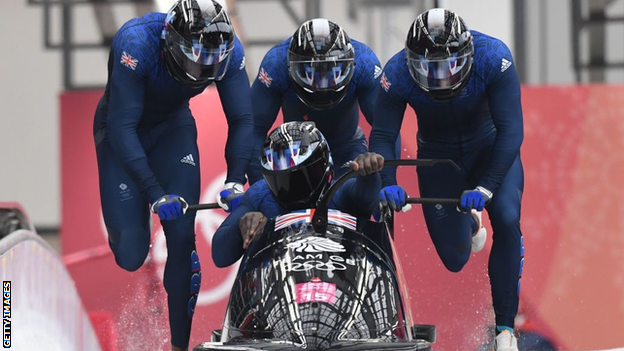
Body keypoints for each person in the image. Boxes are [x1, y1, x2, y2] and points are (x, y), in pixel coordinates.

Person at [92, 1, 253, 349]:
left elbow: (243, 119)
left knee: (182, 241)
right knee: (131, 253)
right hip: (121, 130)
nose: (203, 67)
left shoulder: (228, 52)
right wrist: (153, 193)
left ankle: (178, 346)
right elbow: (122, 128)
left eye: (212, 59)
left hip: (173, 129)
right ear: (170, 44)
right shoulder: (135, 44)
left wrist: (235, 178)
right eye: (196, 56)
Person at [369, 8, 525, 351]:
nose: (439, 78)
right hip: (437, 159)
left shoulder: (493, 57)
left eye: (448, 66)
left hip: (489, 150)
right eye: (428, 69)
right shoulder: (396, 73)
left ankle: (504, 332)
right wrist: (387, 181)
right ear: (412, 64)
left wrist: (487, 185)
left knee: (507, 216)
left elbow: (512, 130)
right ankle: (470, 225)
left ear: (466, 57)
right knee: (455, 260)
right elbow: (382, 136)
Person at [246, 18, 398, 185]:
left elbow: (386, 128)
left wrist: (387, 181)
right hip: (295, 155)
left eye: (330, 73)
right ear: (291, 66)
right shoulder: (275, 65)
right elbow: (255, 128)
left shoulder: (364, 63)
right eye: (312, 73)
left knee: (361, 197)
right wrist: (258, 184)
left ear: (349, 65)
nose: (322, 88)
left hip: (347, 147)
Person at [212, 121, 384, 268]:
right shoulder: (260, 195)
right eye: (282, 181)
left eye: (303, 177)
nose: (293, 189)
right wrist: (241, 227)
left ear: (325, 168)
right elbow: (220, 255)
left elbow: (366, 197)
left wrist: (369, 175)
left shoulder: (340, 191)